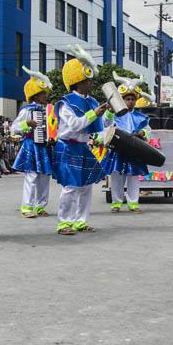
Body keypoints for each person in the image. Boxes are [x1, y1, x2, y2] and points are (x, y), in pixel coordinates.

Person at [51, 45, 110, 235]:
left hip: (83, 147)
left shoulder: (91, 101)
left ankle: (80, 222)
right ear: (77, 81)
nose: (91, 83)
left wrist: (107, 112)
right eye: (87, 80)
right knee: (71, 187)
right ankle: (63, 223)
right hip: (68, 147)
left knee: (86, 187)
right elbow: (76, 125)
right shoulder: (65, 103)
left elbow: (101, 124)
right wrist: (95, 113)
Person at [11, 67, 54, 217]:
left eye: (45, 93)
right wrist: (27, 124)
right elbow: (14, 128)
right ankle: (27, 208)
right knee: (32, 177)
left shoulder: (49, 110)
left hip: (44, 147)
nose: (45, 95)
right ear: (34, 94)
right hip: (31, 145)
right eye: (42, 93)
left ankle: (41, 207)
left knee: (44, 176)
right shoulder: (27, 110)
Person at [108, 74, 153, 213]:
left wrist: (142, 133)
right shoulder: (114, 114)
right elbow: (105, 125)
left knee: (133, 177)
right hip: (118, 150)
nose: (130, 101)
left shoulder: (141, 117)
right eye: (127, 99)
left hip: (134, 150)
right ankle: (116, 203)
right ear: (122, 99)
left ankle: (133, 204)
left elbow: (148, 129)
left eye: (133, 99)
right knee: (117, 177)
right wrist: (108, 113)